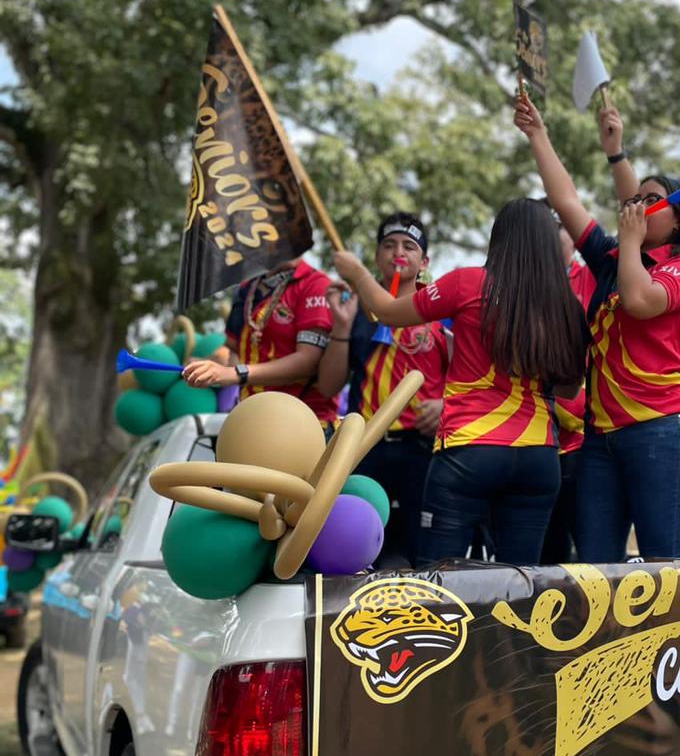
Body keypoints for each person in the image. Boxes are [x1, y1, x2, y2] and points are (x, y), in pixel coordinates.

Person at [332, 198, 587, 566]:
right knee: (521, 579)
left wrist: (358, 274)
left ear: (499, 239)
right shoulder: (567, 305)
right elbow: (569, 389)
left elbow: (388, 312)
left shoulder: (469, 283)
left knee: (439, 579)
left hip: (470, 449)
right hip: (539, 455)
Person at [515, 93, 680, 563]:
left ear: (679, 219)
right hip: (600, 438)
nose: (637, 206)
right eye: (635, 199)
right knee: (595, 569)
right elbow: (565, 201)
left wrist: (630, 237)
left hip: (660, 428)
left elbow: (639, 301)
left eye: (651, 200)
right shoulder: (611, 259)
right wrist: (537, 133)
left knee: (663, 567)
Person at [314, 213, 450, 566]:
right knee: (359, 550)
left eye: (409, 246)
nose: (398, 253)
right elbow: (328, 386)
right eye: (389, 245)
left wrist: (445, 405)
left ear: (425, 262)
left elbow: (470, 377)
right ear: (376, 257)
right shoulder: (354, 306)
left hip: (422, 450)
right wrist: (341, 326)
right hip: (364, 449)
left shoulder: (442, 310)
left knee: (423, 556)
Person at [182, 256, 341, 425]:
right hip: (252, 417)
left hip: (302, 423)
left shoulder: (315, 284)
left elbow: (308, 361)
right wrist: (206, 366)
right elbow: (232, 350)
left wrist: (236, 373)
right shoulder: (246, 289)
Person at [540, 209, 596, 565]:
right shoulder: (518, 284)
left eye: (558, 226)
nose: (550, 236)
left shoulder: (593, 276)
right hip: (531, 442)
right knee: (544, 554)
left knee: (594, 553)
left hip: (585, 443)